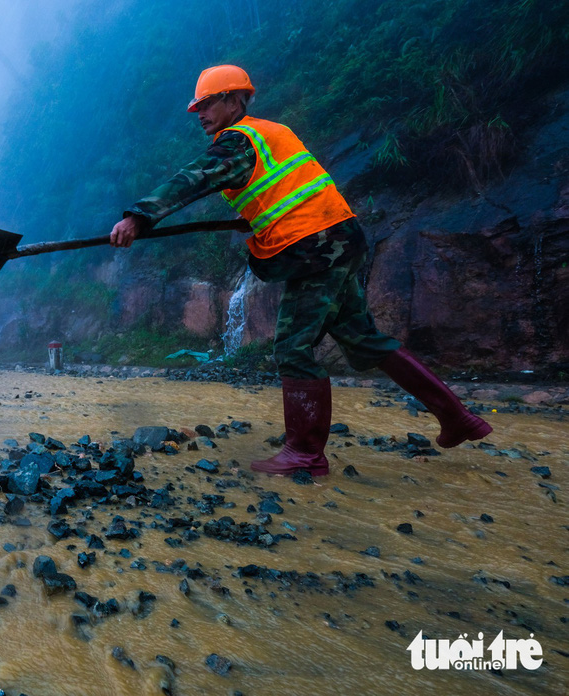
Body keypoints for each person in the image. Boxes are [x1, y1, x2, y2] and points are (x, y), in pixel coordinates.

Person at [110, 64, 491, 477]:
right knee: (364, 339)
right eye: (196, 107)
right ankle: (457, 417)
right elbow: (283, 190)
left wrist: (138, 217)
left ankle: (306, 452)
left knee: (292, 347)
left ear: (234, 99)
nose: (199, 113)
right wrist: (254, 217)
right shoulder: (273, 132)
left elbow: (192, 180)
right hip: (342, 237)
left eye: (206, 104)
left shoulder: (237, 142)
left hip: (314, 246)